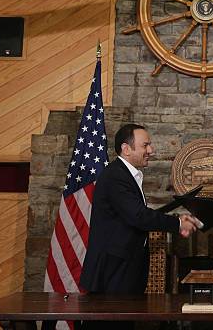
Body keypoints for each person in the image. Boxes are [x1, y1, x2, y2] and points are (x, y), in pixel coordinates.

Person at [79, 124, 196, 329]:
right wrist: (177, 224)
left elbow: (134, 216)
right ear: (127, 149)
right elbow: (138, 216)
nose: (151, 150)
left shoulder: (127, 175)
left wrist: (176, 218)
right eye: (146, 145)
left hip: (126, 269)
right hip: (113, 273)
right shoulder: (116, 175)